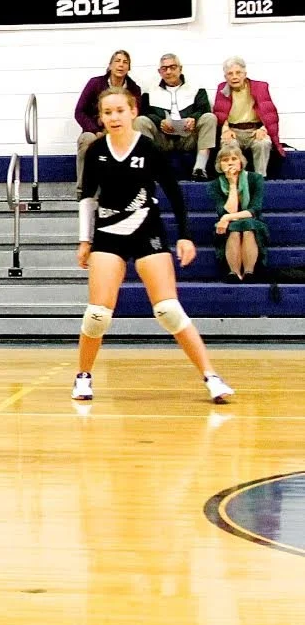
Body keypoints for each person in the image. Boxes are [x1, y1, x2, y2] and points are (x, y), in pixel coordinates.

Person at [73, 87, 233, 403]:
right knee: (98, 314)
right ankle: (83, 377)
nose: (114, 117)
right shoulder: (95, 151)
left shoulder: (148, 148)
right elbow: (87, 198)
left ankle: (211, 377)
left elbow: (174, 193)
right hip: (108, 235)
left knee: (168, 310)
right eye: (107, 112)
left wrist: (185, 235)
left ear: (133, 112)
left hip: (148, 231)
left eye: (120, 110)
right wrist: (84, 240)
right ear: (101, 117)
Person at [135, 54, 217, 180]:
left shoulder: (195, 88)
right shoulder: (150, 91)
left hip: (188, 136)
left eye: (172, 67)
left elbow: (204, 109)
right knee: (140, 121)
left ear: (180, 68)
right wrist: (160, 122)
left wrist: (193, 118)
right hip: (163, 137)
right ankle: (149, 169)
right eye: (164, 68)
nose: (168, 71)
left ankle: (199, 168)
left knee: (209, 118)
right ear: (159, 72)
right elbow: (144, 113)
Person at [74, 51, 142, 198]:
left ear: (129, 68)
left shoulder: (134, 89)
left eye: (125, 62)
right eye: (117, 61)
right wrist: (95, 129)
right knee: (87, 140)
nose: (121, 65)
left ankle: (129, 188)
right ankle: (83, 190)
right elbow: (79, 112)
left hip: (121, 132)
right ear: (110, 65)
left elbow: (134, 115)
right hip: (95, 129)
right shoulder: (95, 83)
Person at [208, 142, 269, 282]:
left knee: (248, 225)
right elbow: (224, 210)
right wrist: (232, 184)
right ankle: (234, 273)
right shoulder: (214, 185)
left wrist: (227, 217)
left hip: (254, 223)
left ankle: (249, 272)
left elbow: (254, 210)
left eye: (234, 159)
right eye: (225, 160)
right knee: (234, 227)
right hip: (228, 226)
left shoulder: (255, 179)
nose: (230, 163)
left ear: (241, 162)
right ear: (219, 165)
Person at [213, 56, 283, 178]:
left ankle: (260, 178)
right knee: (228, 143)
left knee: (263, 143)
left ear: (245, 74)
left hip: (254, 130)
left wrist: (263, 129)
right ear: (225, 77)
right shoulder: (222, 89)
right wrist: (225, 129)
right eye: (230, 74)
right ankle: (235, 180)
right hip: (233, 130)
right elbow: (219, 113)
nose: (234, 77)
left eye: (238, 72)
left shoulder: (259, 87)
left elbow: (270, 114)